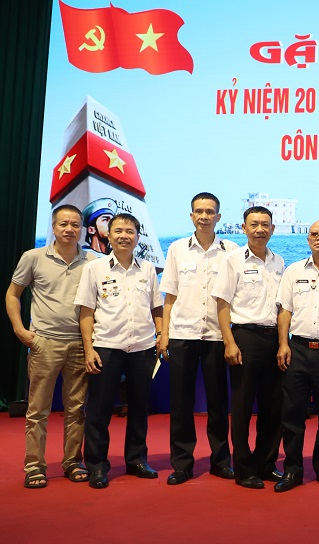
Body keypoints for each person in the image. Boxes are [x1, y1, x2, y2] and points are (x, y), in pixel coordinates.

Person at [6, 205, 94, 488]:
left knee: (76, 410)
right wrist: (21, 331)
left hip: (79, 344)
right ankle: (34, 466)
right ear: (53, 227)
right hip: (44, 343)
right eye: (63, 224)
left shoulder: (92, 261)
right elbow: (12, 294)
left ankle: (73, 462)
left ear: (82, 229)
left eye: (75, 224)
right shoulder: (33, 257)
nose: (69, 229)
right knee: (38, 410)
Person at [74, 213, 163, 489]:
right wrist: (89, 349)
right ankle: (97, 466)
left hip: (142, 348)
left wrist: (161, 335)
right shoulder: (95, 269)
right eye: (119, 231)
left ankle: (137, 460)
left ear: (137, 237)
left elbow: (156, 307)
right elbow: (86, 312)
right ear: (108, 236)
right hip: (106, 347)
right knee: (99, 410)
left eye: (130, 231)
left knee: (139, 408)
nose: (124, 236)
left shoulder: (147, 269)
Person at [158, 192, 238, 485]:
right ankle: (182, 463)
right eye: (199, 211)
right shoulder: (177, 249)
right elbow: (170, 295)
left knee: (218, 402)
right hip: (183, 334)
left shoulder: (231, 250)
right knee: (181, 403)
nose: (204, 216)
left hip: (217, 335)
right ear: (191, 215)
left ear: (219, 216)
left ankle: (221, 461)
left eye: (210, 211)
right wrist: (164, 334)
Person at [212, 206, 285, 489]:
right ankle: (244, 468)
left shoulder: (279, 261)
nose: (260, 230)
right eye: (254, 224)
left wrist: (283, 342)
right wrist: (229, 342)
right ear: (244, 228)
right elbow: (222, 303)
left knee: (273, 405)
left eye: (265, 224)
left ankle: (266, 463)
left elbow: (283, 307)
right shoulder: (232, 260)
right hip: (245, 337)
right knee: (242, 406)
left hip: (274, 338)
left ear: (272, 229)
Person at [274, 220, 319, 493]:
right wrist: (283, 344)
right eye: (314, 234)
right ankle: (292, 469)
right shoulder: (294, 271)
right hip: (298, 350)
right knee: (292, 414)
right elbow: (285, 311)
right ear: (307, 239)